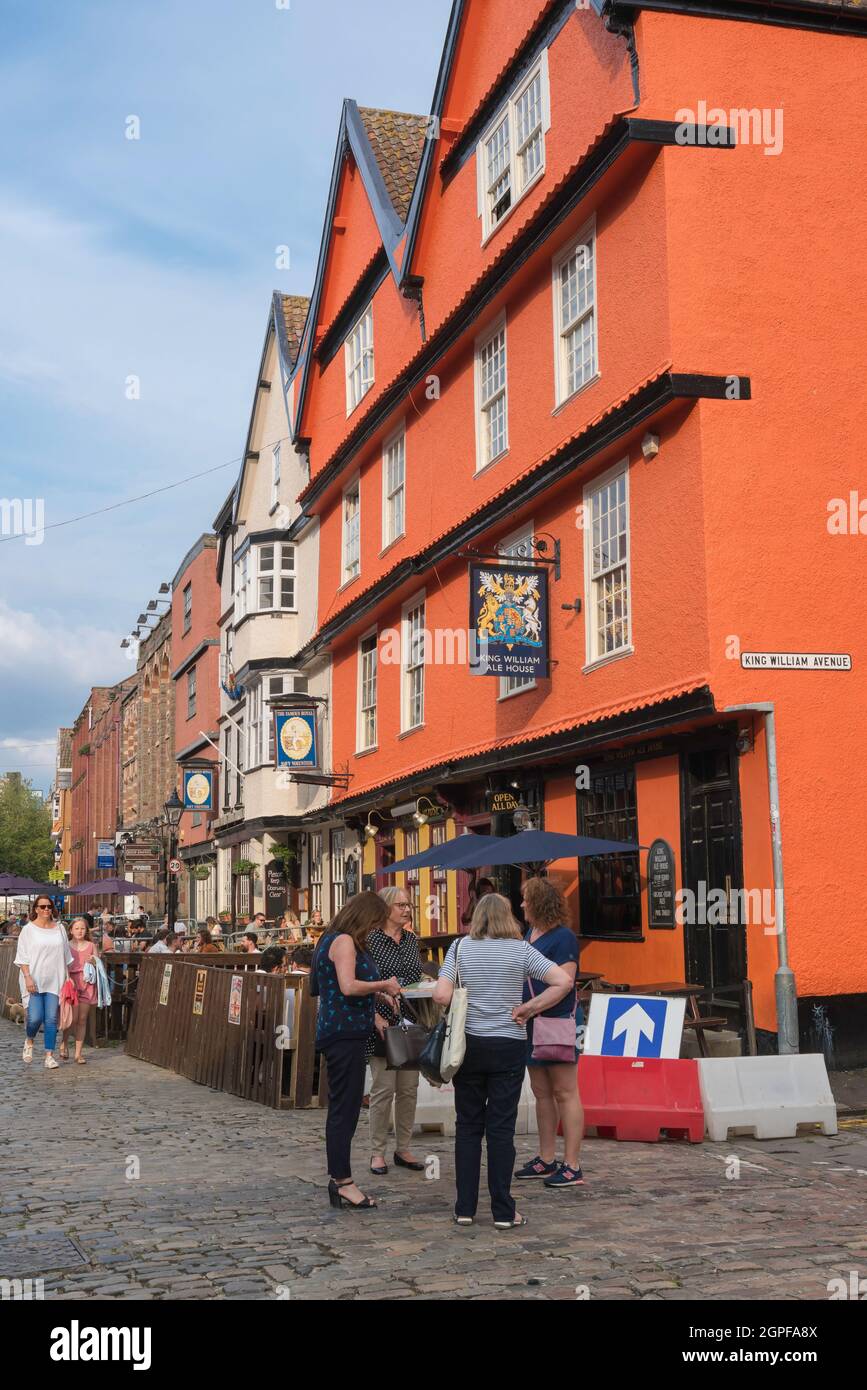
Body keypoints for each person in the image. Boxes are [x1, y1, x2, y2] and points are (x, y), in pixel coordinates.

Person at [432, 893, 571, 1229]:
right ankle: (503, 1211)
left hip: (469, 1045)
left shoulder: (460, 948)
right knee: (500, 1128)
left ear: (477, 916)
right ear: (508, 916)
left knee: (468, 1126)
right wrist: (529, 1008)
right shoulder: (521, 950)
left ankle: (465, 1208)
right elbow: (563, 981)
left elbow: (441, 994)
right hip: (508, 1043)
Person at [312, 893, 401, 1211]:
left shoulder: (331, 938)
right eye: (375, 922)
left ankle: (340, 1179)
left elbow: (339, 988)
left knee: (344, 1107)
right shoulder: (346, 941)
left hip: (343, 1029)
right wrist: (383, 986)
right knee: (344, 1111)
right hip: (344, 1034)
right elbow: (348, 985)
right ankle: (343, 1182)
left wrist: (376, 1009)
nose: (376, 928)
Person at [514, 877, 585, 1188]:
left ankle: (572, 1165)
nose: (522, 905)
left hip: (557, 1020)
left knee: (565, 1092)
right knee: (542, 1092)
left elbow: (564, 984)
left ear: (539, 903)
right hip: (532, 1021)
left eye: (526, 899)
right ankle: (546, 1158)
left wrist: (530, 1007)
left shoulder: (564, 938)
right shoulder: (530, 933)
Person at [367, 886, 425, 1177]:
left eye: (408, 905)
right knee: (383, 1089)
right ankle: (377, 1151)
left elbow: (415, 977)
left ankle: (403, 1147)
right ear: (385, 908)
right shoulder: (370, 940)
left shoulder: (411, 940)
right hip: (382, 1023)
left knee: (408, 1089)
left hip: (409, 1022)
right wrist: (376, 1010)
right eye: (400, 904)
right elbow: (361, 981)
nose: (406, 909)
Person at [14, 896, 74, 1070]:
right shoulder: (28, 930)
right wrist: (27, 977)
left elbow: (65, 956)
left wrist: (68, 979)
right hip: (34, 979)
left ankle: (49, 1055)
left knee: (51, 1019)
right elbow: (22, 957)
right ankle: (29, 1040)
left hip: (55, 980)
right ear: (36, 909)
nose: (47, 909)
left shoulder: (60, 929)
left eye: (49, 906)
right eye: (43, 906)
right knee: (35, 1018)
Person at [60, 916, 100, 1064]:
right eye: (76, 928)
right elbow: (61, 964)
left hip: (87, 984)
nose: (80, 931)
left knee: (82, 1019)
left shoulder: (91, 945)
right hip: (71, 984)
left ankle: (78, 1054)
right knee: (72, 1019)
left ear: (86, 930)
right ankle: (64, 1042)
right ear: (71, 930)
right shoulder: (66, 946)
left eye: (82, 928)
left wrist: (94, 961)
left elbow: (98, 964)